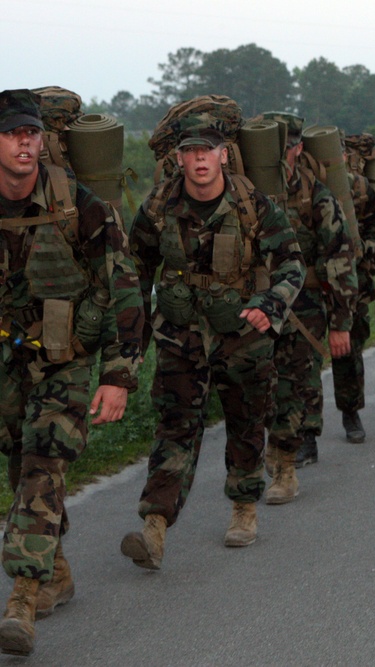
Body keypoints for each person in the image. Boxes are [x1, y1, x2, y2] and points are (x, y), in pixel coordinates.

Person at [121, 120, 304, 569]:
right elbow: (134, 272)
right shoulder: (160, 206)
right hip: (179, 337)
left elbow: (291, 264)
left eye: (209, 150)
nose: (200, 158)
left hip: (242, 336)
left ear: (224, 154)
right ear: (179, 158)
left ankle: (243, 508)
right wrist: (132, 342)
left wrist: (271, 305)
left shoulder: (251, 205)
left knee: (246, 422)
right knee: (175, 428)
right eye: (191, 151)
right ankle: (156, 525)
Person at [0, 89, 143, 656]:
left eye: (32, 133)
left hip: (69, 361)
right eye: (13, 134)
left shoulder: (78, 205)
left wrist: (119, 375)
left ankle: (20, 599)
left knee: (42, 460)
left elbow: (124, 290)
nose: (26, 143)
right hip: (9, 361)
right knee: (21, 467)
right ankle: (55, 570)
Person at [259, 111, 356, 495]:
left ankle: (286, 465)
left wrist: (341, 322)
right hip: (259, 306)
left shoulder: (316, 195)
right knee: (260, 386)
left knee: (296, 385)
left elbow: (341, 259)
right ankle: (273, 449)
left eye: (285, 148)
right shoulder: (247, 193)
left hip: (306, 306)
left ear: (298, 149)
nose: (280, 156)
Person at [322, 133, 375, 449]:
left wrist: (365, 250)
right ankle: (305, 432)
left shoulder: (359, 187)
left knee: (349, 348)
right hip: (307, 284)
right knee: (298, 360)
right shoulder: (300, 188)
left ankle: (351, 413)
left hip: (351, 282)